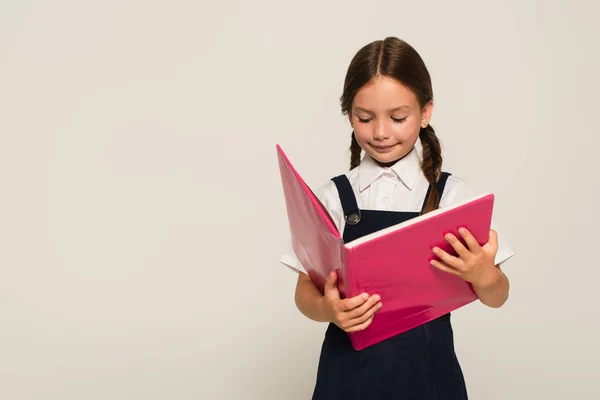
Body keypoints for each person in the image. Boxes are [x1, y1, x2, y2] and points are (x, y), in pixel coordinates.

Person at [279, 36, 515, 399]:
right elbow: (303, 294)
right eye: (365, 118)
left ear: (426, 112)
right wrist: (327, 309)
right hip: (348, 380)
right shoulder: (333, 197)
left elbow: (498, 295)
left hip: (429, 380)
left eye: (398, 117)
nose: (381, 132)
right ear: (349, 115)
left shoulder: (452, 197)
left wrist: (483, 274)